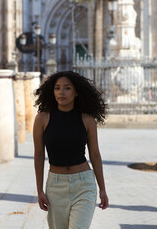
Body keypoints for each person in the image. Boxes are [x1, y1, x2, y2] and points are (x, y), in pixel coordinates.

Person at [33, 71, 109, 229]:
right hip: (55, 187)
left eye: (67, 88)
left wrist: (102, 189)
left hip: (84, 185)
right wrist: (40, 190)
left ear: (76, 93)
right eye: (57, 88)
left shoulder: (87, 120)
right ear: (52, 92)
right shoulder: (42, 119)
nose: (61, 92)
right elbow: (39, 155)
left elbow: (94, 155)